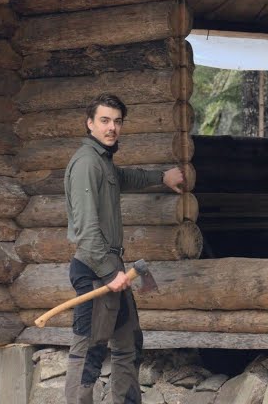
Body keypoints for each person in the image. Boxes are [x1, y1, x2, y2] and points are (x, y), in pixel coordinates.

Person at [65, 93, 184, 404]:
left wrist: (161, 177)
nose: (112, 128)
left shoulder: (103, 161)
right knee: (89, 351)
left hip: (113, 268)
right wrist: (108, 273)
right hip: (95, 270)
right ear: (89, 123)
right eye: (104, 120)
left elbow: (125, 178)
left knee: (128, 344)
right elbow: (87, 230)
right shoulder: (86, 163)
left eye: (117, 122)